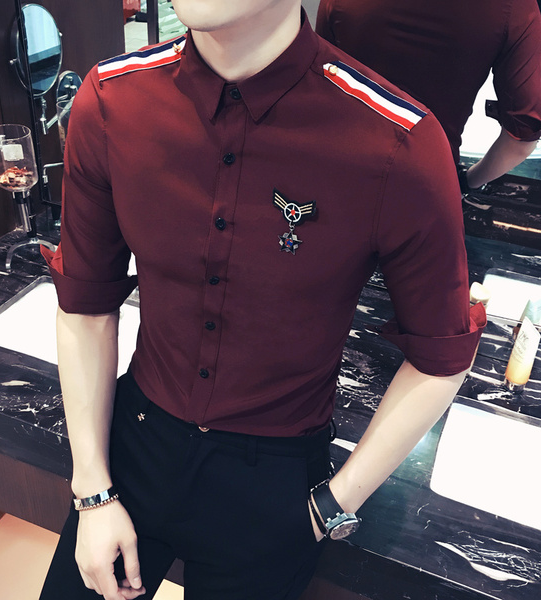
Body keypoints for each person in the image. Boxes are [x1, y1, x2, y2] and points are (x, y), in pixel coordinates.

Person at [39, 1, 485, 599]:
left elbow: (442, 355)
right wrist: (92, 489)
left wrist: (332, 506)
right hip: (134, 443)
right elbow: (86, 303)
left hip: (275, 477)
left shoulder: (395, 141)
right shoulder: (113, 100)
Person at [316, 0, 541, 192]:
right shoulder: (515, 7)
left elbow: (318, 83)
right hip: (425, 187)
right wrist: (467, 181)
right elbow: (522, 135)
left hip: (338, 175)